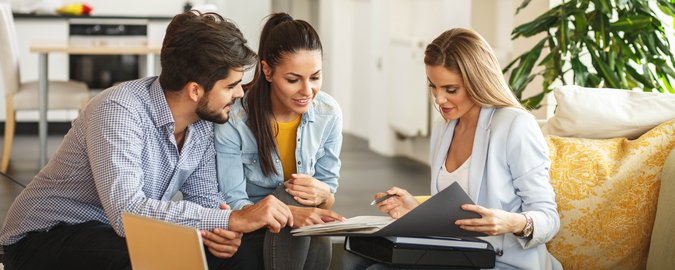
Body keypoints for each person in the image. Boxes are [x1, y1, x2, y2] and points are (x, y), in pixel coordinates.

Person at [0, 11, 294, 270]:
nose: (240, 94)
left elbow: (206, 202)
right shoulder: (118, 110)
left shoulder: (204, 122)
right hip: (43, 237)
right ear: (195, 90)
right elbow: (126, 212)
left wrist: (222, 232)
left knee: (246, 254)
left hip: (116, 233)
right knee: (157, 257)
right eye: (231, 86)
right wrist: (231, 221)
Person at [344, 28, 561, 270]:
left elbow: (549, 218)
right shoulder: (444, 128)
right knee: (356, 257)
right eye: (433, 86)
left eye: (450, 89)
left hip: (501, 261)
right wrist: (416, 211)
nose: (438, 99)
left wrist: (511, 222)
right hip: (458, 256)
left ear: (477, 81)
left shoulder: (514, 125)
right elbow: (454, 216)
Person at [214, 13, 344, 270]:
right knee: (291, 196)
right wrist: (290, 210)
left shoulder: (328, 112)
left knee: (305, 204)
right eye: (293, 80)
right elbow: (236, 203)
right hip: (253, 229)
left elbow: (328, 193)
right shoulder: (236, 119)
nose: (307, 91)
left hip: (300, 231)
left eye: (315, 77)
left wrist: (323, 194)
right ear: (267, 71)